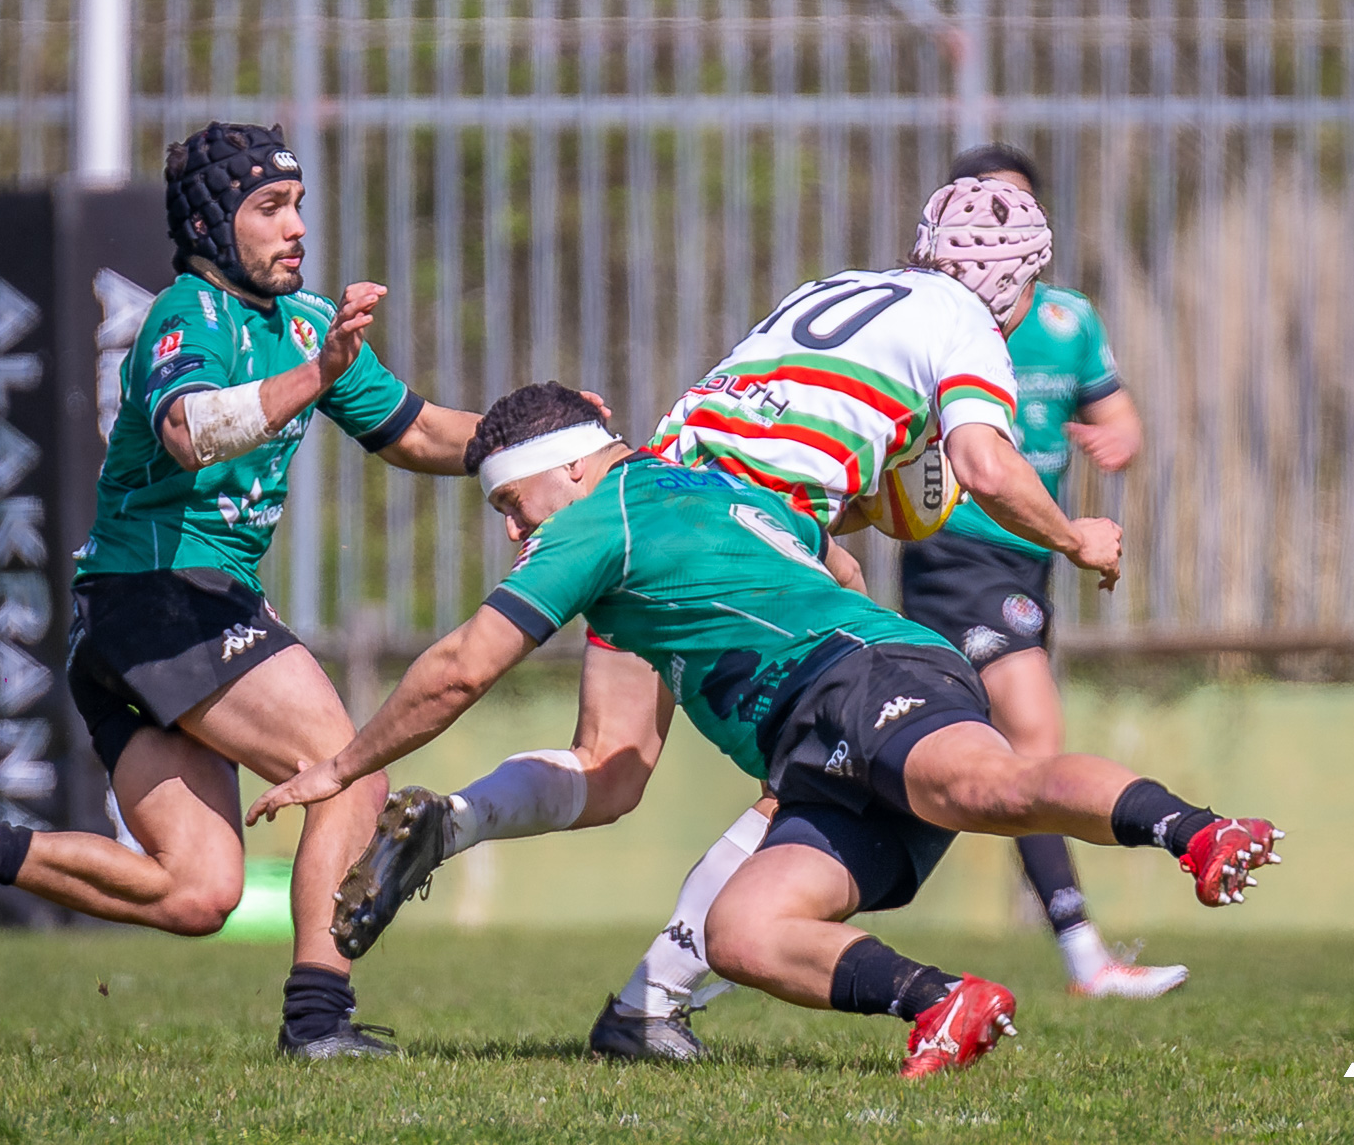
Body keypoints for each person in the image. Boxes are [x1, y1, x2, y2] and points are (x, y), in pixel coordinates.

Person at [245, 382, 1283, 1080]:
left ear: (569, 469)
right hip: (818, 740)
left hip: (857, 681)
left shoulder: (599, 518)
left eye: (514, 504)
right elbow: (834, 559)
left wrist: (342, 765)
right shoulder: (701, 485)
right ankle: (943, 1000)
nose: (516, 530)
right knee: (741, 933)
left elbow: (462, 667)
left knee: (990, 787)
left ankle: (1196, 830)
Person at [316, 178, 1126, 1059]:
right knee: (806, 779)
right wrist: (1074, 536)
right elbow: (967, 472)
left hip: (649, 500)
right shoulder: (959, 326)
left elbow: (827, 472)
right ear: (1013, 279)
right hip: (736, 546)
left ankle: (462, 821)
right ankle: (648, 1007)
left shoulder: (833, 292)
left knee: (609, 766)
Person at [0, 122, 484, 1060]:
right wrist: (318, 375)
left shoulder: (308, 324)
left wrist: (548, 442)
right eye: (270, 208)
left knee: (198, 889)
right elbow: (190, 432)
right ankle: (318, 1023)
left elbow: (419, 433)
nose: (296, 227)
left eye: (299, 205)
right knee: (347, 767)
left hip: (135, 622)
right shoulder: (186, 316)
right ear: (212, 225)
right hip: (162, 598)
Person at [900, 143, 1169, 998]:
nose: (993, 234)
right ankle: (1087, 957)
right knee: (1031, 740)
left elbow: (1118, 416)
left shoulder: (1068, 320)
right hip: (958, 550)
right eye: (977, 212)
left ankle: (724, 938)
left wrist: (1117, 440)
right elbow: (971, 462)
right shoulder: (941, 320)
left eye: (1010, 213)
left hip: (1030, 554)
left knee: (929, 760)